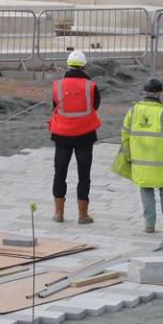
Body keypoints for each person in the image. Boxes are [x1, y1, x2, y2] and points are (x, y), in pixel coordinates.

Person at [118, 78, 163, 233]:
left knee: (145, 190)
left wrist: (128, 156)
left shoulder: (133, 111)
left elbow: (125, 135)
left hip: (140, 162)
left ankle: (149, 224)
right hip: (162, 163)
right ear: (159, 93)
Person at [49, 50, 101, 225]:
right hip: (85, 135)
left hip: (62, 134)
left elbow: (55, 105)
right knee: (84, 174)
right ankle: (83, 215)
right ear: (84, 66)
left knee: (60, 173)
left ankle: (58, 212)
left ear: (68, 65)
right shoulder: (91, 86)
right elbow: (95, 105)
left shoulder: (57, 85)